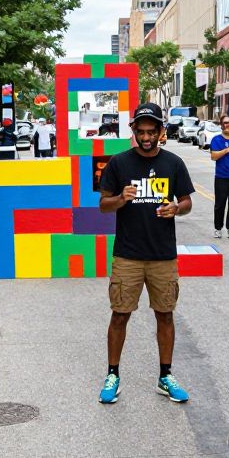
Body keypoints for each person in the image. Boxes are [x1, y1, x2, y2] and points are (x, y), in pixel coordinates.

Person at [97, 102, 195, 405]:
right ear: (134, 132)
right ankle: (113, 374)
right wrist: (119, 199)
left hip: (163, 255)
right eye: (141, 131)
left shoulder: (174, 163)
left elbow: (187, 202)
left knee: (165, 315)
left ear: (161, 132)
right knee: (120, 315)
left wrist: (176, 208)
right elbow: (103, 205)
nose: (146, 137)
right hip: (127, 254)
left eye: (152, 131)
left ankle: (165, 376)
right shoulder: (118, 163)